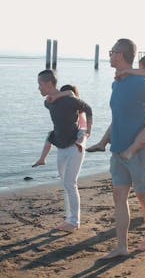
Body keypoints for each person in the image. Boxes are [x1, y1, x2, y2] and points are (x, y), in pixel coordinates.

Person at [101, 39, 145, 259]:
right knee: (119, 196)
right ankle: (121, 246)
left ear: (120, 55)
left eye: (112, 52)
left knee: (143, 196)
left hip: (139, 153)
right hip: (118, 151)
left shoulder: (141, 83)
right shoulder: (118, 82)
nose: (110, 55)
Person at [34, 69, 93, 232]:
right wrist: (58, 95)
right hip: (61, 147)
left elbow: (88, 109)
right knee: (65, 184)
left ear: (48, 84)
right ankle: (69, 218)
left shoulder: (70, 101)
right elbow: (54, 98)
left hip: (75, 146)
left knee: (70, 183)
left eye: (40, 84)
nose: (38, 88)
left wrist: (89, 131)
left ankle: (74, 222)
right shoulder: (48, 102)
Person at [87, 54, 145, 160]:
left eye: (139, 66)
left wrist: (127, 71)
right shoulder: (143, 80)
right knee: (117, 120)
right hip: (144, 115)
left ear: (144, 67)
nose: (137, 69)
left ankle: (131, 150)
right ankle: (102, 143)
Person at [32, 85, 89, 168]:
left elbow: (70, 93)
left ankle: (79, 143)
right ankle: (42, 159)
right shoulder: (62, 106)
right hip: (67, 134)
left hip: (78, 132)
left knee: (82, 133)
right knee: (50, 136)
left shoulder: (76, 107)